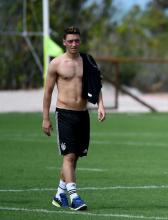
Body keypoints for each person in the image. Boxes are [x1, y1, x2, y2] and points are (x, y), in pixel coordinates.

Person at [42, 26, 106, 211]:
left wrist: (100, 104)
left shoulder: (87, 60)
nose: (74, 44)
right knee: (69, 156)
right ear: (64, 42)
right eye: (70, 41)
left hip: (83, 114)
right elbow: (47, 93)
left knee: (75, 157)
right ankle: (74, 196)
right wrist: (45, 118)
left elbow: (96, 83)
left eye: (76, 40)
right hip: (65, 114)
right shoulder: (56, 64)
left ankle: (59, 195)